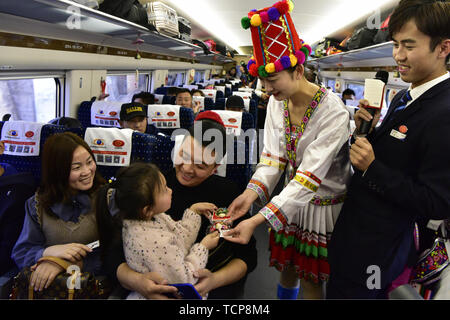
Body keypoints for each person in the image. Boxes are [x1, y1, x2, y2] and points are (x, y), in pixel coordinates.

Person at [225, 0, 351, 300]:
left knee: (311, 280)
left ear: (298, 71)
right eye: (263, 81)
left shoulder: (333, 112)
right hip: (289, 200)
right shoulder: (276, 102)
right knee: (286, 268)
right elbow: (273, 159)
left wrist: (257, 219)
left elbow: (310, 177)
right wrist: (250, 195)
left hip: (323, 206)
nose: (266, 89)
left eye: (271, 80)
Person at [327, 0, 450, 299]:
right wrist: (363, 132)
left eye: (408, 46)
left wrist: (372, 167)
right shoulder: (405, 96)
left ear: (443, 48)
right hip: (355, 237)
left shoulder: (445, 112)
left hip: (379, 252)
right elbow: (397, 156)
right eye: (395, 44)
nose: (398, 55)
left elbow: (436, 203)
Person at [98, 111, 257, 299]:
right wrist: (138, 283)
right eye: (184, 155)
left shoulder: (226, 195)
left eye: (200, 166)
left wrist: (214, 280)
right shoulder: (151, 189)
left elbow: (247, 256)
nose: (187, 168)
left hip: (208, 284)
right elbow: (115, 251)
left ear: (215, 167)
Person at [95, 162, 220, 299]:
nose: (171, 190)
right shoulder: (152, 241)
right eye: (165, 189)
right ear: (147, 209)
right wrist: (203, 247)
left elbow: (180, 239)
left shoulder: (149, 217)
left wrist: (193, 212)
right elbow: (185, 279)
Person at [11, 132, 105, 292]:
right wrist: (47, 252)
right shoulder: (36, 205)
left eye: (89, 162)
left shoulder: (107, 198)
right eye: (76, 167)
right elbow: (21, 253)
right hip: (54, 288)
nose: (87, 171)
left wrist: (67, 265)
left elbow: (117, 252)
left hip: (94, 285)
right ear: (58, 171)